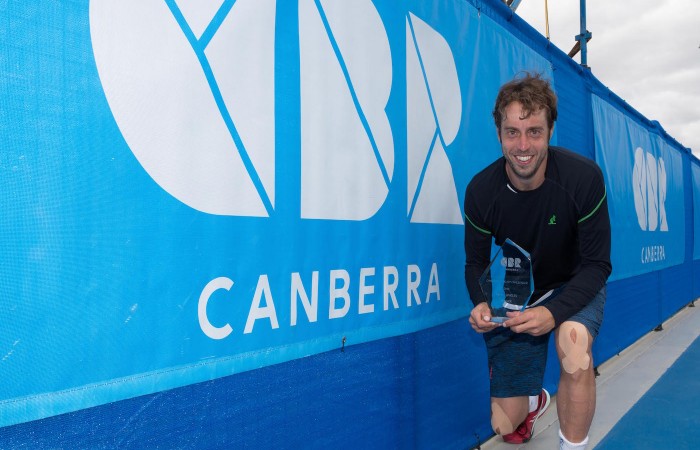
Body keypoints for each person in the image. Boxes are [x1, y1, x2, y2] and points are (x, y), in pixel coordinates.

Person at [464, 72, 611, 449]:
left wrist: (555, 312)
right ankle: (532, 402)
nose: (523, 144)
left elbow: (597, 265)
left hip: (574, 284)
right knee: (504, 425)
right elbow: (475, 264)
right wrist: (480, 303)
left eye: (534, 131)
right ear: (499, 134)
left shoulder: (583, 178)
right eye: (513, 131)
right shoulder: (481, 191)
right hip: (522, 294)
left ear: (550, 132)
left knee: (574, 344)